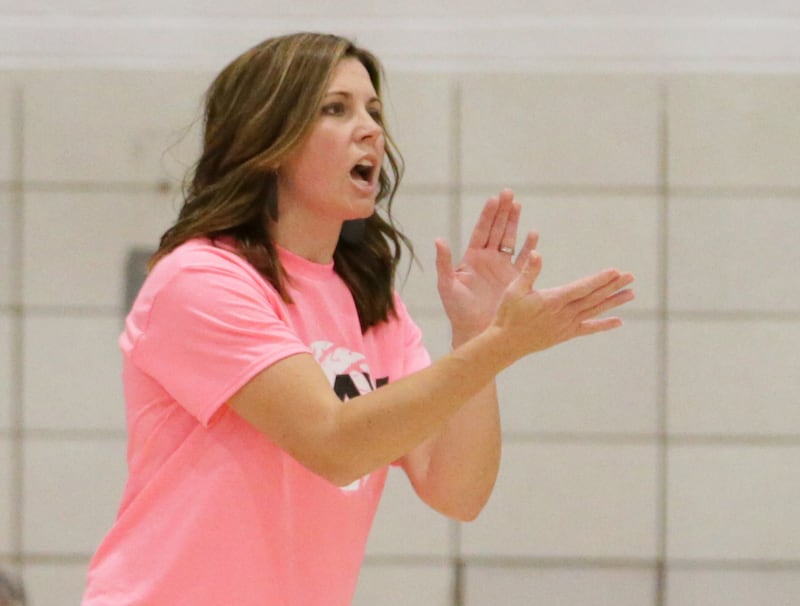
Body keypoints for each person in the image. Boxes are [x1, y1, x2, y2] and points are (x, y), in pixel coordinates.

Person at [81, 32, 634, 605]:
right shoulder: (202, 280)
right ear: (270, 140)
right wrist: (500, 346)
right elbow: (333, 444)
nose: (371, 129)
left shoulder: (370, 300)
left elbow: (457, 490)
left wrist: (478, 335)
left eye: (373, 110)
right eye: (336, 109)